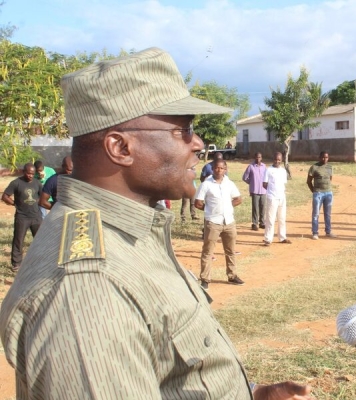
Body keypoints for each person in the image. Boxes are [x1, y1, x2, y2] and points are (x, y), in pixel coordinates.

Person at [0, 48, 312, 400]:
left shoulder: (127, 231)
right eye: (183, 130)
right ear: (120, 147)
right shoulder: (88, 287)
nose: (197, 144)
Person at [195, 159, 244, 290]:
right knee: (207, 251)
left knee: (230, 251)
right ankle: (205, 279)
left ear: (225, 169)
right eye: (216, 168)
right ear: (213, 169)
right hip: (213, 222)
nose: (219, 170)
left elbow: (238, 199)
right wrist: (210, 209)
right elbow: (198, 203)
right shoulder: (206, 184)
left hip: (229, 222)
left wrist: (228, 207)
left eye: (222, 168)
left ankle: (232, 275)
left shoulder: (229, 183)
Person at [1, 163, 43, 273]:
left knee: (40, 240)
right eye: (28, 173)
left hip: (36, 217)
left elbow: (42, 196)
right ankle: (16, 263)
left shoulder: (37, 183)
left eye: (32, 174)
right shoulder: (16, 183)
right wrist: (14, 203)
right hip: (22, 217)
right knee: (18, 240)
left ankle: (40, 262)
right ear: (24, 172)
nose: (30, 176)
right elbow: (5, 196)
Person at [263, 152, 292, 246]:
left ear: (281, 160)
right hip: (272, 198)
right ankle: (268, 239)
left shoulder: (283, 171)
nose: (277, 161)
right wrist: (271, 191)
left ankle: (282, 237)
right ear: (273, 159)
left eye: (279, 160)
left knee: (282, 218)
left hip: (282, 197)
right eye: (275, 159)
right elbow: (264, 184)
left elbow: (283, 183)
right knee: (270, 219)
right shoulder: (268, 170)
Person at [307, 151, 336, 239]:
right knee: (316, 213)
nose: (325, 159)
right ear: (319, 157)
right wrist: (314, 191)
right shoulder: (314, 167)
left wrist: (327, 189)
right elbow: (309, 181)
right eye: (323, 157)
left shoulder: (330, 167)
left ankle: (328, 231)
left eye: (326, 157)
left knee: (328, 214)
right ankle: (315, 233)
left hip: (328, 193)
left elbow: (330, 179)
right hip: (318, 193)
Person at [242, 152, 267, 231]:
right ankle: (254, 223)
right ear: (254, 157)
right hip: (255, 190)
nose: (258, 159)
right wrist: (251, 182)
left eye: (259, 157)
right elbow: (245, 177)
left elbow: (266, 177)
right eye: (256, 157)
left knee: (263, 207)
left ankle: (262, 223)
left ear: (261, 158)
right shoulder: (251, 167)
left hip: (263, 190)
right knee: (255, 207)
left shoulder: (264, 166)